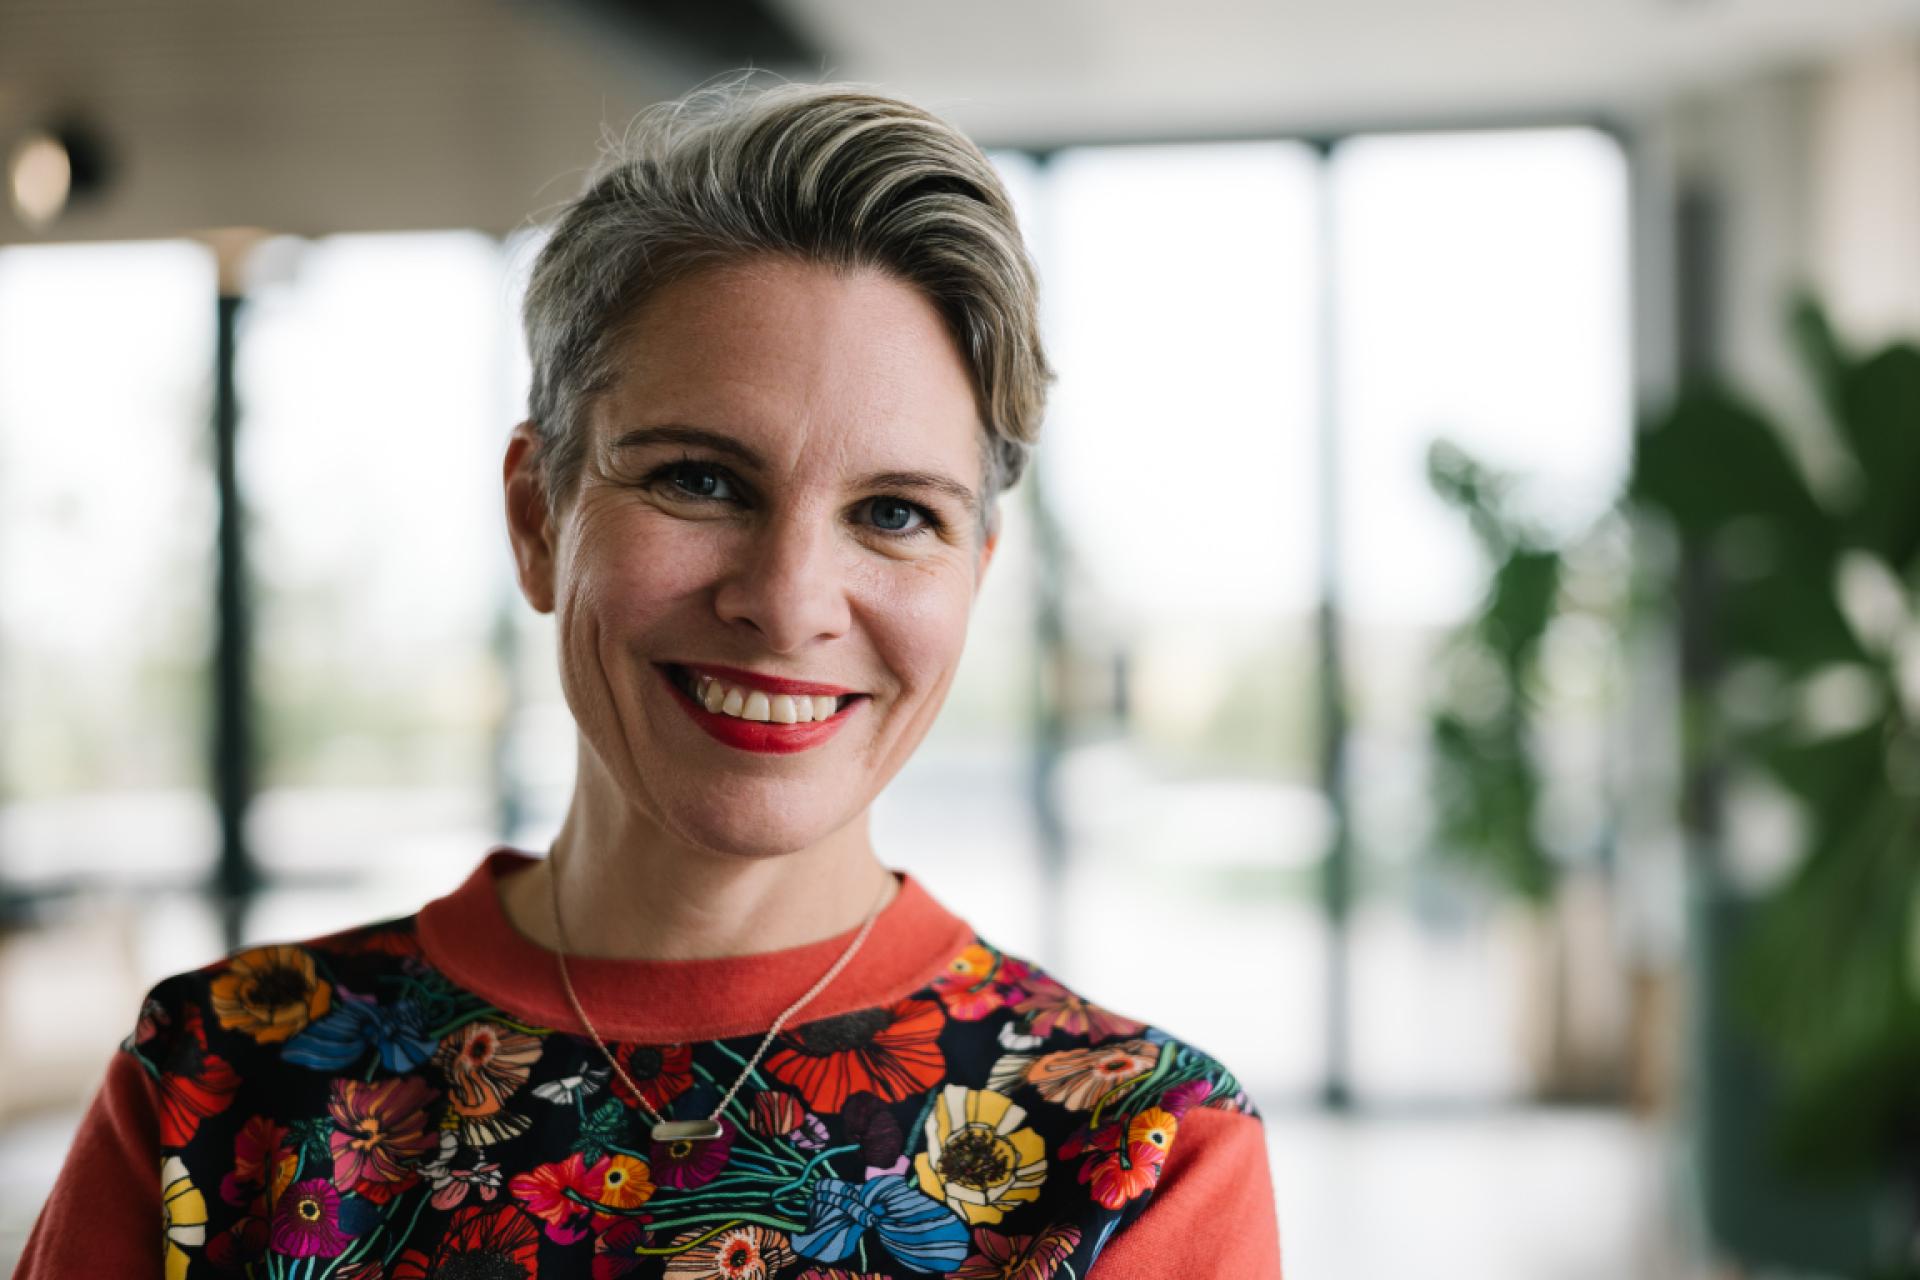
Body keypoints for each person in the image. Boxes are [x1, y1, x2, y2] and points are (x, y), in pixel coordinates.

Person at [19, 80, 1284, 1278]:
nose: (788, 601)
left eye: (895, 513)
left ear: (974, 574)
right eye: (700, 478)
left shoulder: (1134, 1158)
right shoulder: (221, 1085)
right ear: (537, 517)